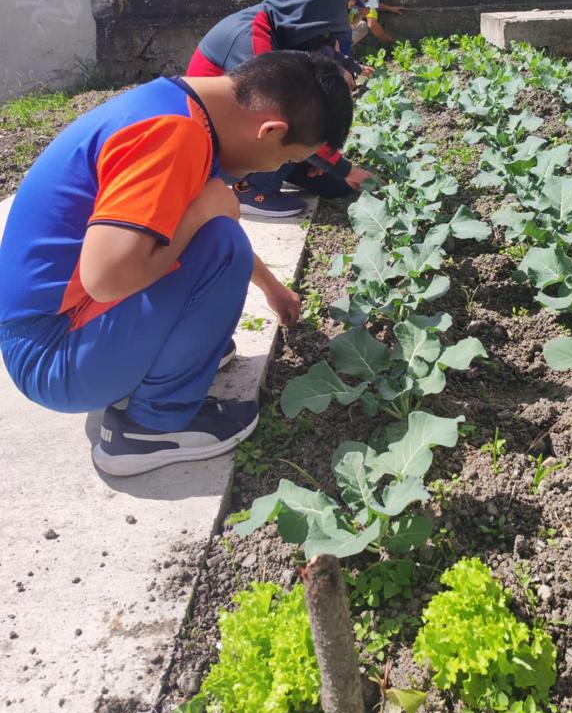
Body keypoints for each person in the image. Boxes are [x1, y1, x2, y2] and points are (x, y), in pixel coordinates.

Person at [0, 53, 353, 477]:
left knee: (214, 234)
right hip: (55, 360)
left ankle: (156, 363)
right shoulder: (174, 134)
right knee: (220, 241)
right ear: (271, 130)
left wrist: (269, 286)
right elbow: (105, 278)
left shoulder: (177, 106)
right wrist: (203, 211)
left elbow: (186, 224)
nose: (276, 170)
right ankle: (151, 427)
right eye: (286, 160)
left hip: (51, 334)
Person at [187, 0, 371, 218]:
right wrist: (343, 166)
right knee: (298, 123)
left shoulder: (281, 28)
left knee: (336, 187)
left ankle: (280, 170)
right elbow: (282, 112)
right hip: (210, 146)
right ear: (307, 17)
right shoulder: (251, 39)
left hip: (242, 127)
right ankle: (251, 191)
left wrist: (323, 157)